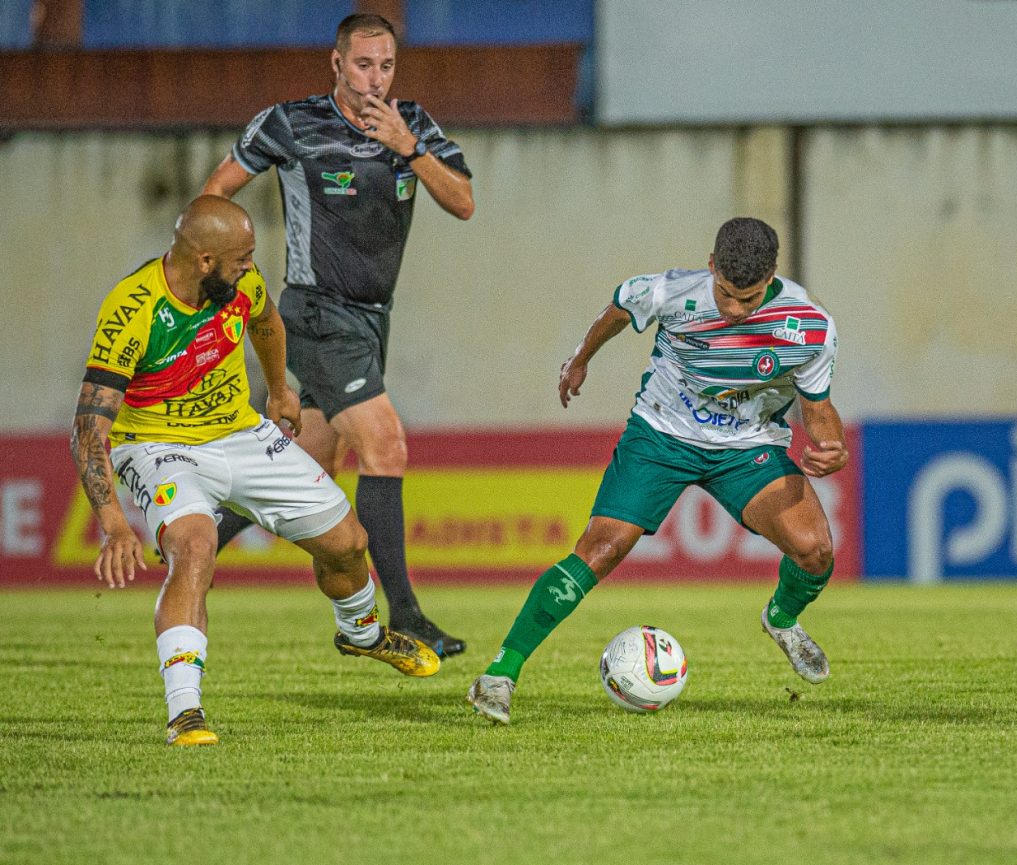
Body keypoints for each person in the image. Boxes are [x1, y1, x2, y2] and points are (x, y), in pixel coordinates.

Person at [71, 196, 440, 746]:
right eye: (241, 257)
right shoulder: (132, 311)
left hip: (241, 433)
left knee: (346, 544)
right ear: (203, 261)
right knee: (195, 547)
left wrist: (279, 388)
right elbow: (87, 428)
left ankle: (361, 635)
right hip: (157, 445)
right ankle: (185, 712)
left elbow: (266, 322)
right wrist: (115, 525)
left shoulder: (238, 285)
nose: (250, 266)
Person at [467, 217, 847, 724]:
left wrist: (830, 444)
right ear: (711, 267)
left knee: (816, 550)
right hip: (661, 434)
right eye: (727, 295)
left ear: (773, 275)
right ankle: (500, 674)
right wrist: (580, 359)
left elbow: (817, 405)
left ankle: (781, 619)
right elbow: (619, 309)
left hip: (747, 445)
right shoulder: (671, 292)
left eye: (750, 299)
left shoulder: (808, 326)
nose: (736, 311)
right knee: (599, 550)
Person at [200, 13, 473, 658]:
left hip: (374, 320)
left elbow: (462, 202)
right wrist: (231, 277)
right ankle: (404, 615)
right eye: (362, 65)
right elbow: (216, 192)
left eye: (386, 66)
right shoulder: (291, 123)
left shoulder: (416, 125)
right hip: (317, 312)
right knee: (386, 444)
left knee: (309, 463)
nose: (375, 79)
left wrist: (410, 147)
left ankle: (195, 533)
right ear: (336, 63)